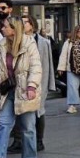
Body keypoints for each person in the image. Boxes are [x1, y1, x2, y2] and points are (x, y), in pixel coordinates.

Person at [0, 16, 42, 158]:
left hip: (24, 89)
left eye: (5, 26)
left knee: (27, 126)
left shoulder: (29, 43)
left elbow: (36, 66)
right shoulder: (2, 44)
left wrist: (32, 86)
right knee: (3, 123)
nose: (2, 29)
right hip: (8, 90)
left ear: (14, 29)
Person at [23, 15, 54, 151]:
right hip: (24, 81)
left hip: (41, 80)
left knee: (39, 110)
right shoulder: (20, 40)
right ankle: (25, 140)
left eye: (26, 22)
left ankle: (39, 140)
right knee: (27, 111)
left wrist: (50, 83)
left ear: (32, 25)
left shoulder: (43, 42)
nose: (23, 25)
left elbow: (49, 63)